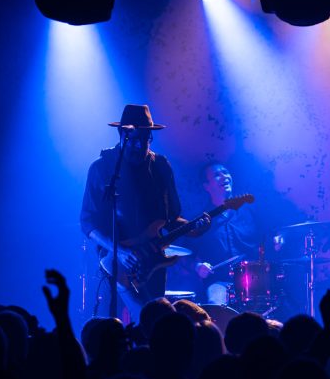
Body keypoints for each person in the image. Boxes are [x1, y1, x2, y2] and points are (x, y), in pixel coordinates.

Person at [80, 104, 196, 321]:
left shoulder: (161, 166)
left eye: (145, 139)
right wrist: (119, 251)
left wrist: (194, 227)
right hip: (113, 263)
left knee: (154, 325)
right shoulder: (102, 169)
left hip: (153, 261)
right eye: (133, 140)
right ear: (122, 135)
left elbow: (172, 217)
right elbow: (87, 222)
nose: (139, 145)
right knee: (109, 327)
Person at [191, 162, 264, 306]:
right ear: (206, 186)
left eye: (226, 172)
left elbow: (270, 234)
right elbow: (187, 254)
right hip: (220, 282)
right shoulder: (202, 221)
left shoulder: (251, 211)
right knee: (216, 305)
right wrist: (198, 266)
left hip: (254, 278)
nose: (224, 176)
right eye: (217, 175)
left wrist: (278, 239)